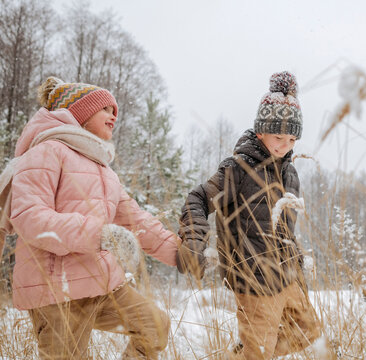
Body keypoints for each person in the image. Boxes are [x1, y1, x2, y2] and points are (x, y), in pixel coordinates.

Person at [1, 77, 180, 359]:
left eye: (114, 111)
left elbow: (135, 219)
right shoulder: (46, 151)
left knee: (154, 325)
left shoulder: (103, 168)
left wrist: (182, 253)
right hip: (57, 290)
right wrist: (100, 235)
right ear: (80, 112)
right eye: (105, 109)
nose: (113, 116)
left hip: (103, 284)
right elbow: (29, 216)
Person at [176, 71, 322, 359]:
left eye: (292, 138)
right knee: (259, 353)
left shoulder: (290, 173)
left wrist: (298, 266)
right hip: (253, 278)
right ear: (260, 132)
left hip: (288, 275)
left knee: (307, 332)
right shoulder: (237, 170)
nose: (285, 145)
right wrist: (194, 239)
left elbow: (285, 230)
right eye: (278, 136)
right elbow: (197, 199)